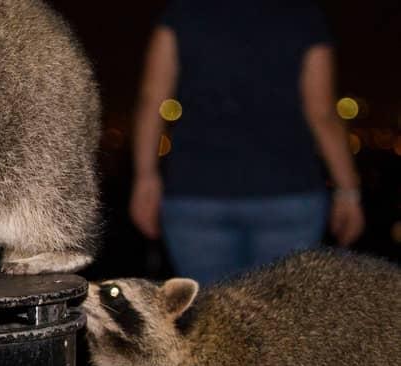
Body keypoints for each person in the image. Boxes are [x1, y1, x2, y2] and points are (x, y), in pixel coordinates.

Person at [130, 0, 365, 284]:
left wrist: (145, 177)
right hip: (288, 192)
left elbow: (151, 99)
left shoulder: (183, 11)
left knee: (212, 318)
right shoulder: (302, 15)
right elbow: (322, 113)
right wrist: (348, 190)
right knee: (278, 318)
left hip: (196, 193)